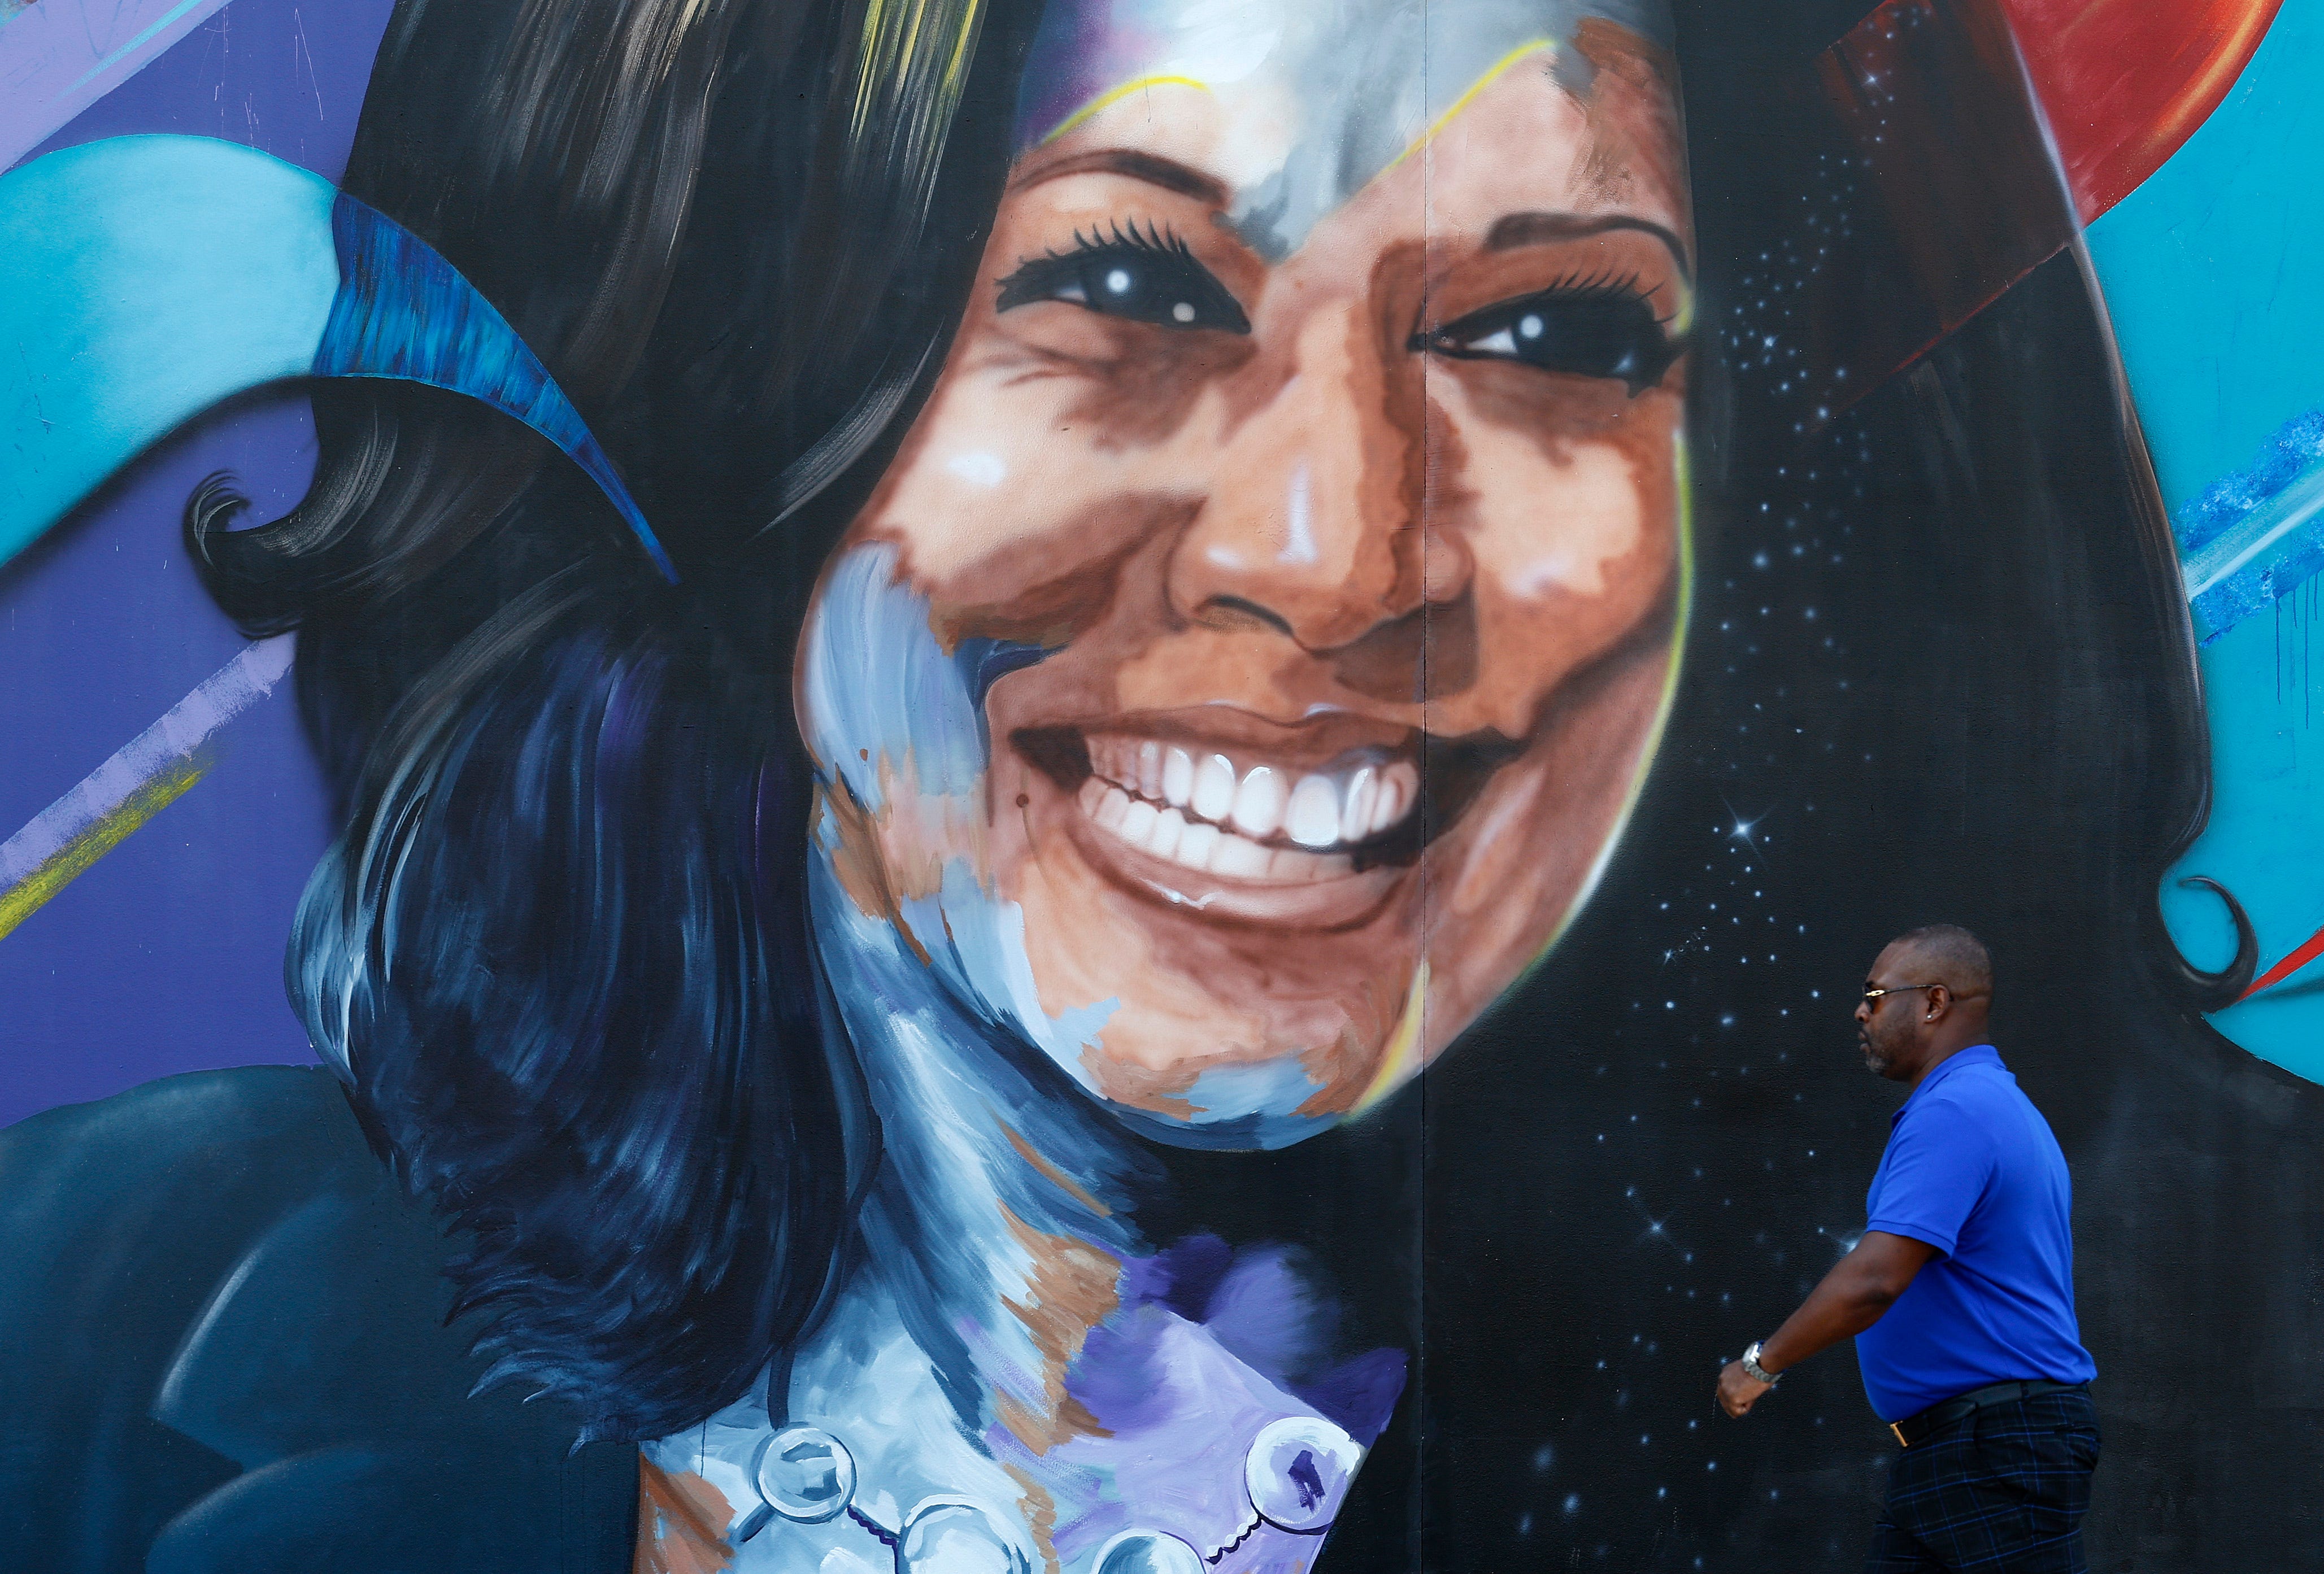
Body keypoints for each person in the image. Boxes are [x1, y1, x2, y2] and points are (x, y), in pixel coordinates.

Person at [5, 0, 2321, 1569]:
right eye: (1124, 286)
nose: (1330, 553)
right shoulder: (81, 1302)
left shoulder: (2179, 1406)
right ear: (694, 368)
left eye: (1550, 336)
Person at [1715, 926, 2100, 1572]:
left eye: (1874, 995)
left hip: (1992, 1448)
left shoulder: (1956, 1111)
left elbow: (1875, 1280)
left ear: (1933, 1003)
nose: (1860, 1012)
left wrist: (1758, 1366)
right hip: (1971, 1448)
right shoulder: (1987, 1103)